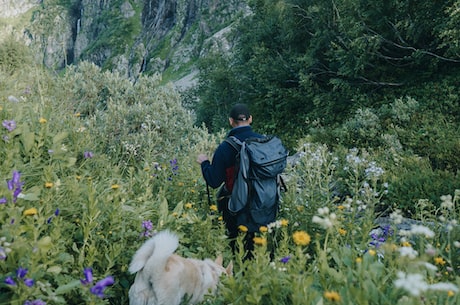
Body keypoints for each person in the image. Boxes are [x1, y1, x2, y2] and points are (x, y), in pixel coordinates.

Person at [196, 104, 262, 257]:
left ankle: (239, 270)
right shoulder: (263, 141)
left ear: (231, 121)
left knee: (238, 248)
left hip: (238, 206)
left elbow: (213, 181)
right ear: (250, 119)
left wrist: (205, 163)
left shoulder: (225, 147)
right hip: (265, 202)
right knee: (260, 245)